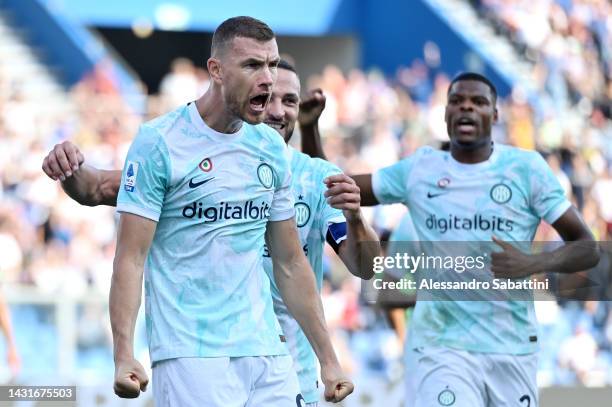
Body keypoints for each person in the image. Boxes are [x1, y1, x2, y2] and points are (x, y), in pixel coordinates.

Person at [44, 16, 352, 406]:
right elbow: (130, 259)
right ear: (216, 70)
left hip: (266, 351)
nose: (268, 79)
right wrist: (123, 353)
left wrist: (329, 359)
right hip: (191, 353)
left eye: (272, 65)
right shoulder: (161, 142)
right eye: (252, 65)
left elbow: (290, 262)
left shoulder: (270, 149)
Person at [327, 72, 600, 406]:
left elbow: (587, 247)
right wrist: (310, 131)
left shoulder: (526, 169)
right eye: (457, 101)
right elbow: (333, 185)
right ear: (445, 114)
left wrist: (533, 262)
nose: (466, 108)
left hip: (510, 345)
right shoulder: (420, 170)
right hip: (442, 347)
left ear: (495, 115)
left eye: (479, 102)